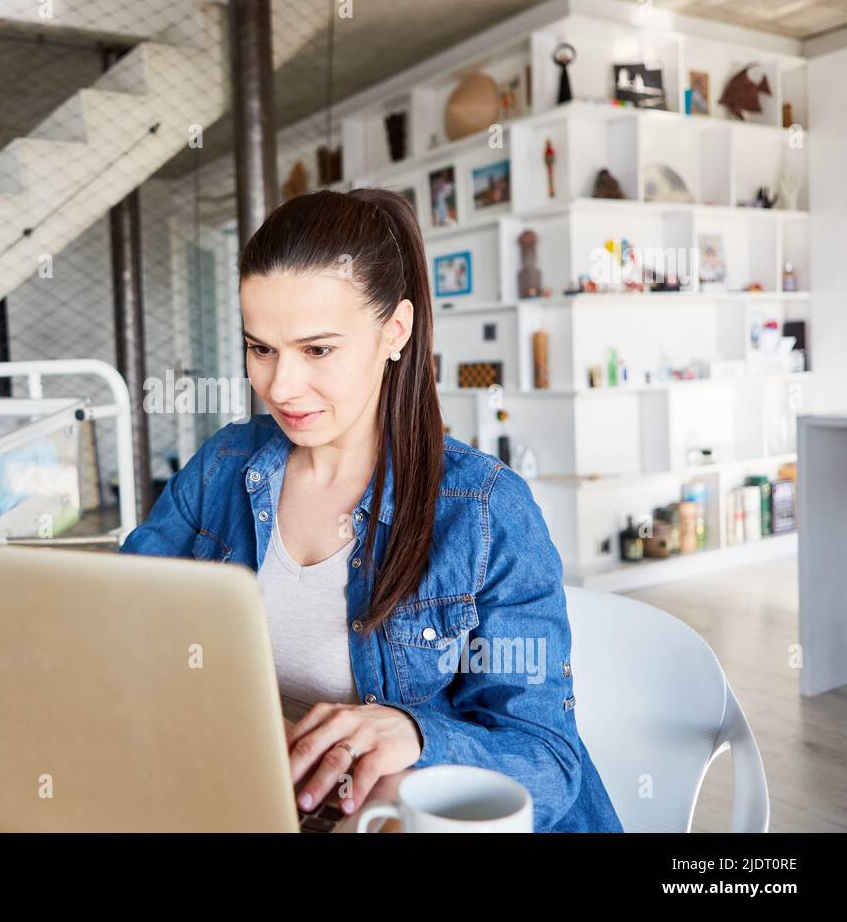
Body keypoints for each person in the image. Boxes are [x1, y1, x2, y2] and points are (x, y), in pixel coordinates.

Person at [119, 187, 623, 832]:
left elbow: (548, 760)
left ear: (396, 331)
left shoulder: (485, 510)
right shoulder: (223, 468)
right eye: (261, 348)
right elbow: (124, 633)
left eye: (317, 350)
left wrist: (416, 733)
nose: (281, 386)